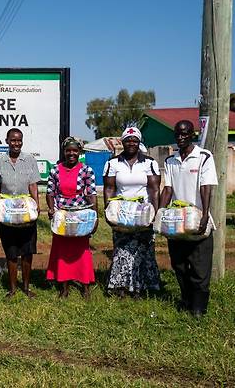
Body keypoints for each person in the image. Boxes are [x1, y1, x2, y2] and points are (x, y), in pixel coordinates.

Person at [160, 120, 218, 317]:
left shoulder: (203, 157)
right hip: (176, 223)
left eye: (185, 133)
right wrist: (160, 213)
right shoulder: (170, 161)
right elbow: (167, 189)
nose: (181, 136)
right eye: (178, 133)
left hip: (198, 221)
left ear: (192, 134)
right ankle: (186, 301)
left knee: (200, 269)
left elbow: (206, 186)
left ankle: (199, 308)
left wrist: (204, 215)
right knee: (180, 265)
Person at [103, 127, 161, 298]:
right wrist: (108, 211)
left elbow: (154, 190)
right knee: (122, 250)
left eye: (134, 140)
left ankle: (141, 287)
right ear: (122, 142)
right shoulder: (113, 163)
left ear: (139, 142)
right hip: (121, 213)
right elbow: (109, 188)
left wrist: (155, 215)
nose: (131, 143)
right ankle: (120, 287)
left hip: (143, 213)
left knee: (143, 250)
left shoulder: (149, 163)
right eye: (128, 140)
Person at [46, 136, 98, 299]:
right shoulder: (55, 170)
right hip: (61, 214)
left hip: (80, 215)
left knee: (81, 250)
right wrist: (51, 209)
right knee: (62, 250)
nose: (71, 153)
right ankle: (64, 287)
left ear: (79, 152)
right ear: (64, 151)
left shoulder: (86, 170)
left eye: (75, 150)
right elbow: (50, 192)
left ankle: (85, 286)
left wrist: (95, 217)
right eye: (68, 150)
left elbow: (91, 194)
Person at [0, 128, 41, 298]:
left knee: (27, 251)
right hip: (6, 210)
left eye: (19, 140)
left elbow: (33, 185)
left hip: (26, 209)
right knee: (11, 251)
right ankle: (12, 288)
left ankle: (26, 287)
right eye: (13, 140)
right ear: (7, 141)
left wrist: (37, 206)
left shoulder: (30, 160)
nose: (16, 143)